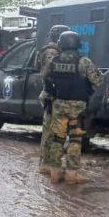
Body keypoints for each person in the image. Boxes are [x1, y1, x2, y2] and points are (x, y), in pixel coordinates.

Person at [42, 31, 103, 185]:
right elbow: (99, 82)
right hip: (78, 108)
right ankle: (71, 174)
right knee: (75, 139)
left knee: (57, 138)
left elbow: (45, 78)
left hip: (59, 106)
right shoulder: (84, 62)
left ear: (61, 44)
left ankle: (55, 172)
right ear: (77, 45)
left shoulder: (53, 61)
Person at [35, 24, 68, 175]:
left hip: (53, 94)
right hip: (51, 95)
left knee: (53, 130)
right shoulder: (51, 51)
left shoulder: (52, 50)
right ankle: (46, 163)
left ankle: (48, 162)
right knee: (50, 131)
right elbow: (47, 74)